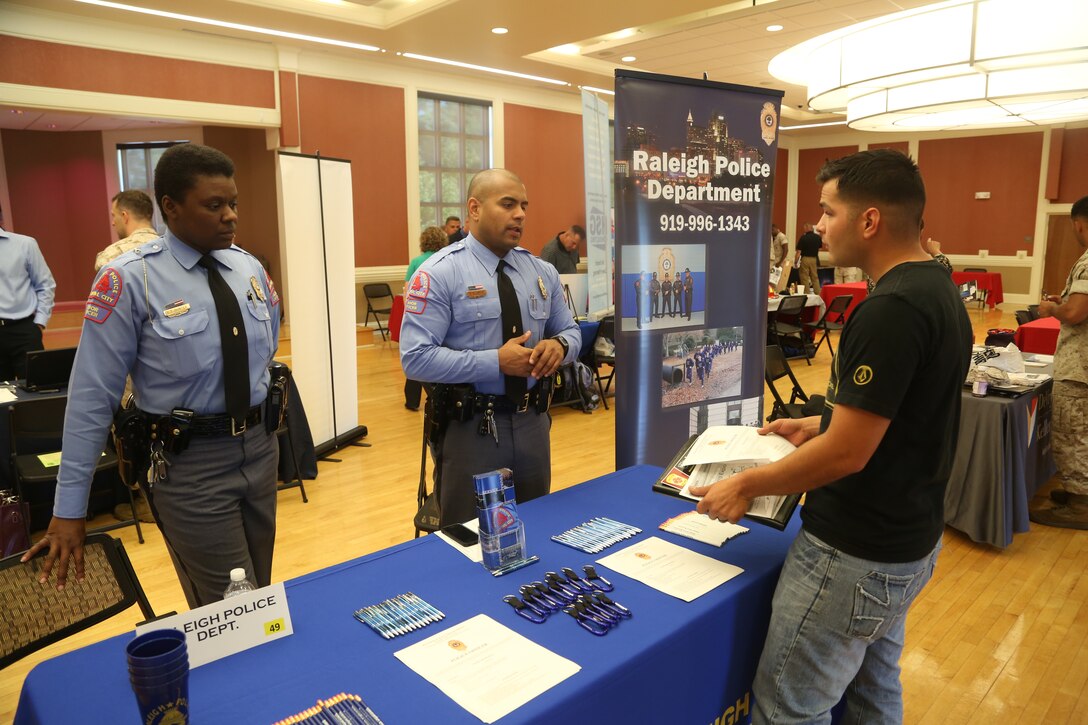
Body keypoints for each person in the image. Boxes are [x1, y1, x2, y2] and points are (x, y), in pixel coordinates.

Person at [690, 149, 972, 723]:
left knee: (789, 708)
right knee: (872, 691)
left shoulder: (891, 307)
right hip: (908, 540)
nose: (817, 226)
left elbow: (849, 452)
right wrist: (817, 421)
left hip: (854, 552)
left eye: (827, 211)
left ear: (869, 220)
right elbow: (898, 416)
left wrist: (748, 485)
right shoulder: (938, 287)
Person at [23, 143, 282, 609]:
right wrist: (68, 507)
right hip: (190, 466)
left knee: (258, 591)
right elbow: (89, 398)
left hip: (260, 451)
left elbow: (266, 351)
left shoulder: (249, 268)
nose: (230, 216)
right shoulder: (129, 280)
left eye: (234, 203)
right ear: (170, 207)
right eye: (214, 205)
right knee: (229, 605)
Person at [399, 169, 581, 527]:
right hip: (470, 431)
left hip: (533, 426)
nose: (520, 215)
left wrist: (560, 346)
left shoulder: (541, 271)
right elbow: (415, 358)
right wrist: (495, 362)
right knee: (468, 541)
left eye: (524, 206)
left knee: (536, 528)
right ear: (475, 209)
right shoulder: (440, 273)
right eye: (508, 204)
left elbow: (572, 331)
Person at [1029, 195, 1088, 529]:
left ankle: (1080, 504)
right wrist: (1064, 301)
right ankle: (1080, 492)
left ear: (1079, 223)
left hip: (1078, 367)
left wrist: (1054, 309)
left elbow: (1077, 313)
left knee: (1072, 432)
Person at [0, 212, 55, 381]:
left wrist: (39, 323)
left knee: (36, 392)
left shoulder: (25, 244)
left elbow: (46, 285)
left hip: (24, 331)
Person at [403, 225, 449, 411]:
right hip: (442, 316)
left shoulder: (416, 261)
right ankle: (439, 394)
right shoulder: (447, 259)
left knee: (416, 356)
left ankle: (412, 401)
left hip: (420, 314)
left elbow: (408, 291)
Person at [95, 190, 160, 272]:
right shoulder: (171, 249)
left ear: (124, 216)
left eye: (114, 215)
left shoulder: (111, 256)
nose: (113, 223)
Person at [796, 222, 824, 293]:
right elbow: (820, 248)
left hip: (805, 259)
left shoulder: (803, 238)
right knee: (815, 277)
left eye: (804, 228)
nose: (804, 229)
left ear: (806, 228)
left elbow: (798, 252)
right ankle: (818, 292)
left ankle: (807, 293)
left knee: (804, 277)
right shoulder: (818, 237)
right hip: (814, 259)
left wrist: (796, 261)